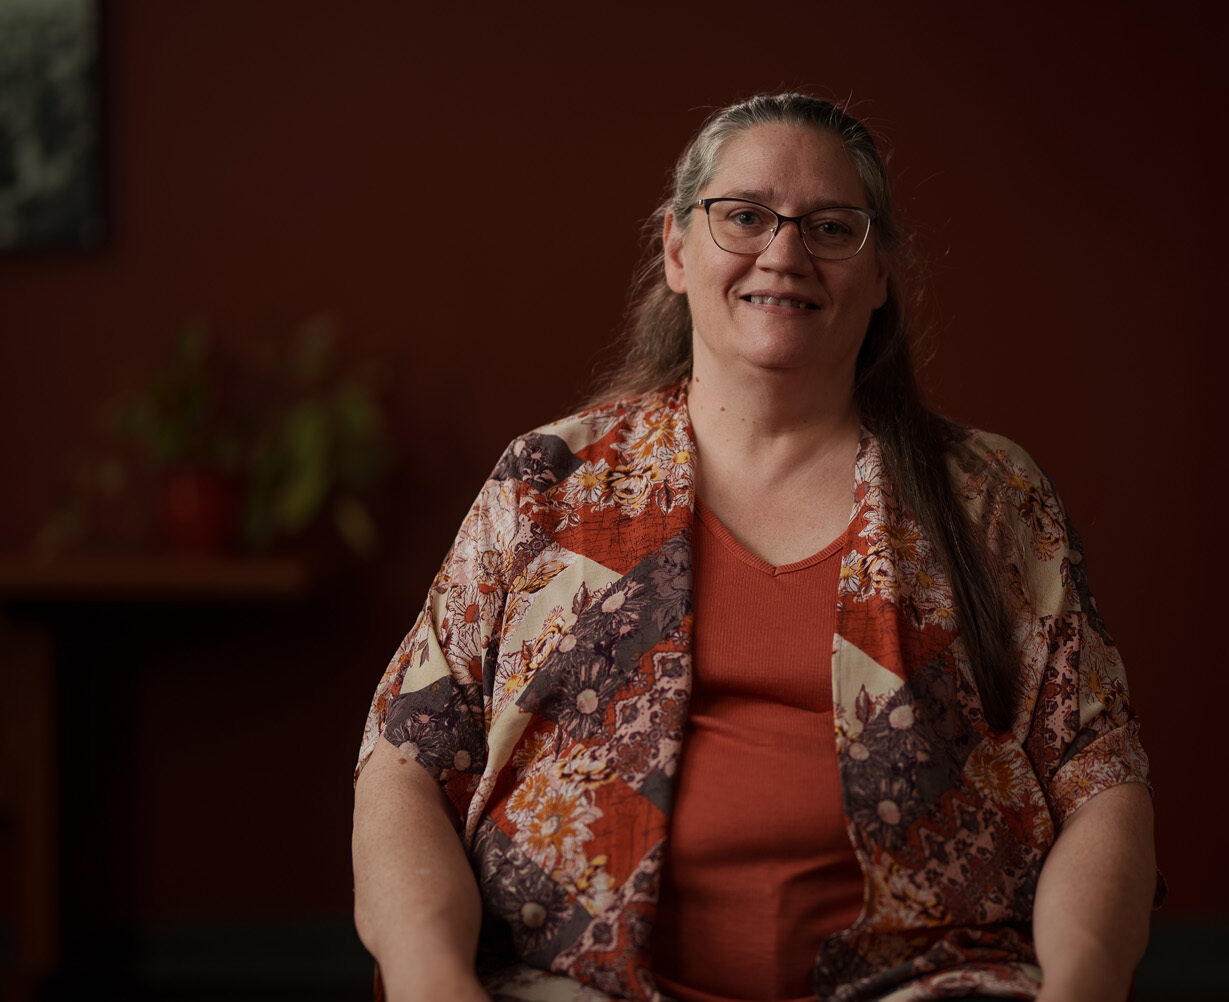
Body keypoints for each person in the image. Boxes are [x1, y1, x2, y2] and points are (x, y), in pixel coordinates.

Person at [352, 93, 1157, 1002]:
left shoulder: (991, 498)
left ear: (879, 274)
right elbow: (405, 761)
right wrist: (431, 981)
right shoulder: (547, 483)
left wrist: (1080, 988)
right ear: (677, 249)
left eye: (831, 227)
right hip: (570, 980)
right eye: (744, 217)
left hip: (932, 979)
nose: (784, 253)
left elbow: (1098, 777)